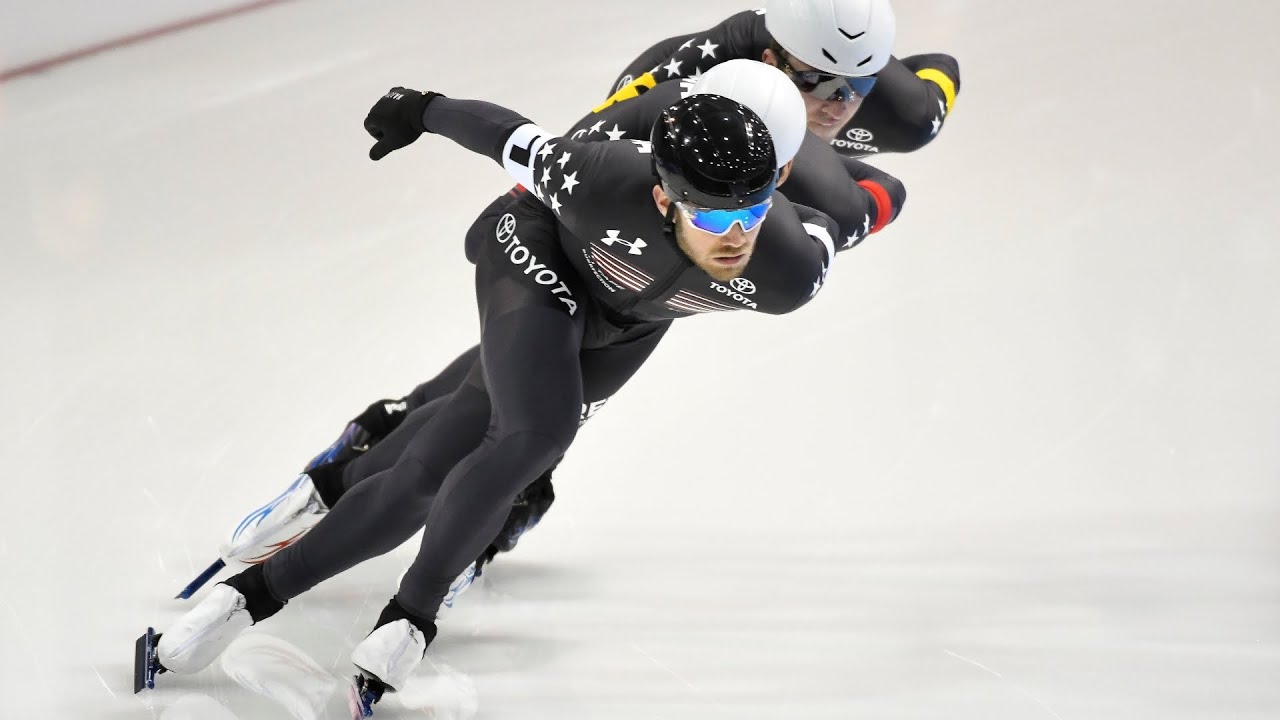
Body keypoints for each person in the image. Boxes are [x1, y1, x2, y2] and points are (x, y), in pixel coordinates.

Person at [146, 79, 867, 713]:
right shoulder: (600, 177)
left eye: (748, 211)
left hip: (625, 326)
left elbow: (868, 200)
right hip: (536, 252)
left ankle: (310, 526)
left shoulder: (788, 272)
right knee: (531, 437)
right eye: (710, 217)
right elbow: (509, 138)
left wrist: (851, 200)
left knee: (455, 450)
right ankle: (345, 609)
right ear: (662, 195)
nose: (733, 235)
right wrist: (421, 109)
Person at [205, 59, 907, 599]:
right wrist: (425, 109)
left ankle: (411, 457)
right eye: (823, 88)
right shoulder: (646, 126)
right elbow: (539, 151)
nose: (836, 108)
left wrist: (851, 216)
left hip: (634, 293)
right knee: (514, 408)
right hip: (556, 233)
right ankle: (371, 454)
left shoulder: (793, 206)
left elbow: (880, 194)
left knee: (523, 406)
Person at [604, 0, 960, 155]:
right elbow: (601, 131)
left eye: (860, 85)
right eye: (819, 82)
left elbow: (941, 63)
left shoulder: (913, 117)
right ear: (770, 61)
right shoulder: (727, 51)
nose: (838, 106)